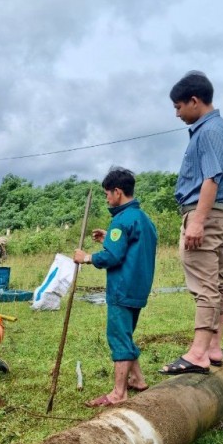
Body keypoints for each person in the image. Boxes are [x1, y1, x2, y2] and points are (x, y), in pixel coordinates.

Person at [160, 71, 223, 375]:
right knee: (217, 282)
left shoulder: (207, 131)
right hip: (219, 212)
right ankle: (213, 347)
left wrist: (197, 222)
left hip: (205, 212)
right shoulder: (220, 128)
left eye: (179, 107)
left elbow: (211, 177)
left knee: (205, 284)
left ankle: (198, 353)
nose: (177, 113)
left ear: (194, 101)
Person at [73, 167, 158, 407]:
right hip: (138, 289)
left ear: (117, 192)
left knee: (118, 337)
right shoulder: (143, 218)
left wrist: (87, 257)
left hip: (122, 288)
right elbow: (130, 246)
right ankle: (137, 379)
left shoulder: (121, 220)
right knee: (126, 333)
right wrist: (109, 235)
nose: (107, 199)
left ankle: (118, 393)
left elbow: (112, 257)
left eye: (107, 194)